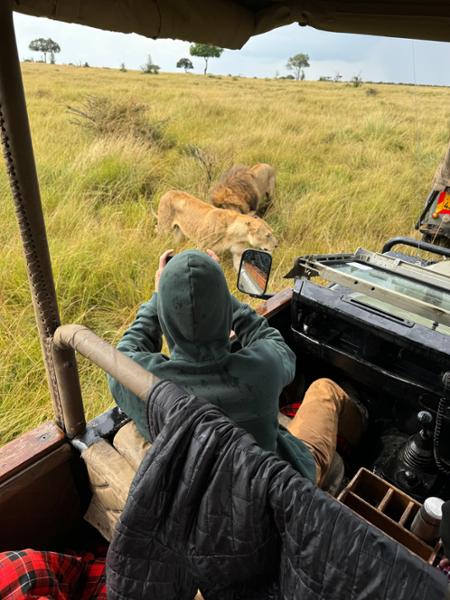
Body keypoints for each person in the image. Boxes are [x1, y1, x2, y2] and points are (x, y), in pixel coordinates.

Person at [108, 248, 366, 486]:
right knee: (325, 390)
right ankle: (366, 447)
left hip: (209, 490)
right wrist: (219, 294)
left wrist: (160, 295)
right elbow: (275, 343)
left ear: (164, 315)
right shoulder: (262, 370)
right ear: (224, 310)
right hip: (283, 487)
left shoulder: (142, 387)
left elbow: (127, 348)